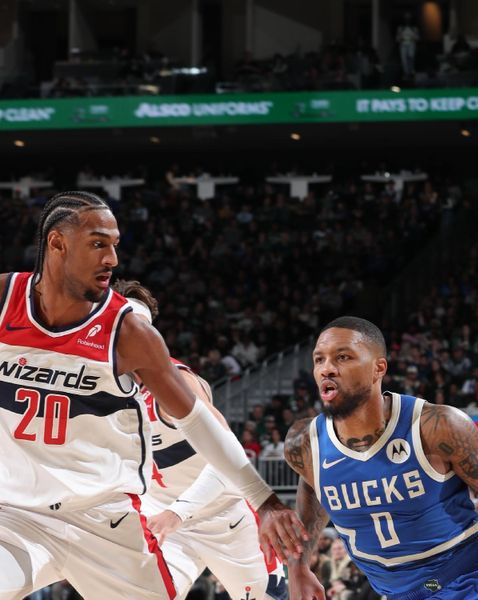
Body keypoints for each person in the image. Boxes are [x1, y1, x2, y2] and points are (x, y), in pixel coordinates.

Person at [0, 191, 305, 600]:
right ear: (57, 243)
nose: (112, 258)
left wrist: (264, 500)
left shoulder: (129, 335)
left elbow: (202, 424)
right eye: (98, 244)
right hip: (17, 515)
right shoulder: (4, 301)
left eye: (115, 245)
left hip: (105, 520)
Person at [262, 316, 478, 599]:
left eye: (343, 357)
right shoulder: (303, 443)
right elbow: (313, 490)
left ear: (378, 368)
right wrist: (299, 568)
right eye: (319, 359)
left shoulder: (436, 426)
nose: (327, 368)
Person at [114, 279, 287, 600]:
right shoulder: (104, 389)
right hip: (164, 526)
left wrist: (177, 512)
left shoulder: (177, 384)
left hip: (226, 521)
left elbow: (228, 460)